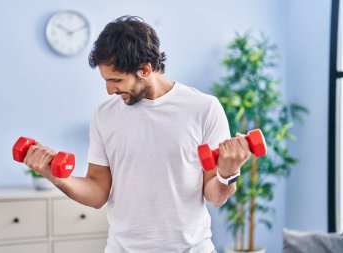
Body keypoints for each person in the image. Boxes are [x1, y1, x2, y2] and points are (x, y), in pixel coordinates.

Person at [23, 15, 251, 253]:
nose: (110, 90)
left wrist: (229, 172)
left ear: (144, 69)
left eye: (116, 80)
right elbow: (97, 191)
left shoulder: (204, 108)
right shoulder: (104, 115)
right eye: (106, 80)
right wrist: (56, 177)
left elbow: (215, 196)